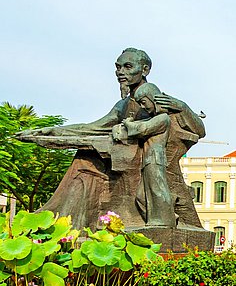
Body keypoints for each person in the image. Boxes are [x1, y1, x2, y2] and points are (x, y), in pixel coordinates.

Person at [17, 48, 206, 230]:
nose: (120, 72)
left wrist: (182, 107)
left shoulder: (160, 101)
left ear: (145, 70)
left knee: (89, 162)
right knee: (84, 159)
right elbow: (92, 127)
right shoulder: (123, 105)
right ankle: (65, 221)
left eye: (127, 67)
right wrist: (50, 132)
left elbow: (199, 130)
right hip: (126, 161)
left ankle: (64, 220)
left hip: (149, 164)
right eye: (118, 67)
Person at [118, 83, 175, 227]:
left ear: (153, 99)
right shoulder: (154, 118)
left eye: (144, 102)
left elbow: (142, 129)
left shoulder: (163, 118)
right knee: (141, 196)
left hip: (155, 158)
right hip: (148, 159)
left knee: (157, 190)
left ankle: (164, 222)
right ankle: (166, 217)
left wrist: (129, 124)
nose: (143, 107)